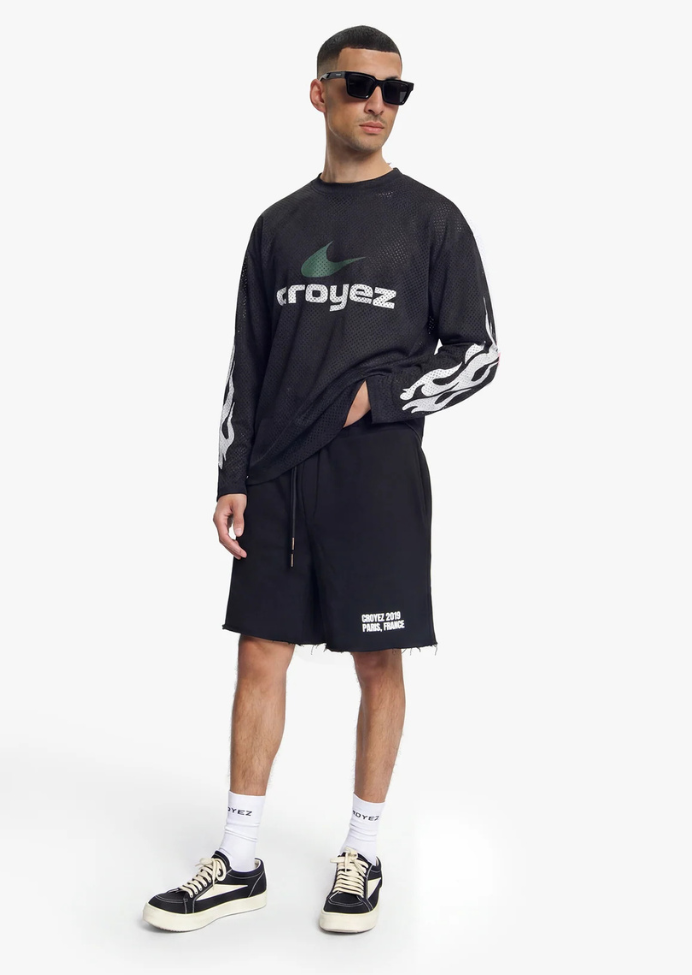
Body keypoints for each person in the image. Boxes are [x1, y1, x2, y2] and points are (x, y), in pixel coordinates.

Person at [143, 24, 499, 936]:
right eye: (358, 85)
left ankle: (363, 850)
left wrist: (381, 394)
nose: (378, 103)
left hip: (377, 475)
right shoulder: (279, 226)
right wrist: (233, 473)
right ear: (320, 93)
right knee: (260, 653)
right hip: (276, 476)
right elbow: (247, 363)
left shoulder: (433, 220)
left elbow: (478, 354)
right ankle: (239, 857)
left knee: (378, 660)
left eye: (394, 91)